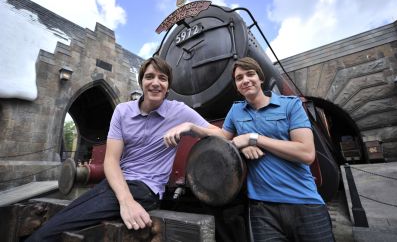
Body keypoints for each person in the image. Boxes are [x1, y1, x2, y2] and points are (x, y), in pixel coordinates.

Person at [27, 56, 218, 241]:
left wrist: (191, 127)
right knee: (60, 222)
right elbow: (111, 160)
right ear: (141, 81)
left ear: (168, 85)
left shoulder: (179, 111)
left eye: (162, 78)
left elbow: (223, 135)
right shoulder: (122, 111)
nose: (156, 83)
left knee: (50, 232)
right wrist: (126, 201)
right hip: (117, 184)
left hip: (146, 189)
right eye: (149, 77)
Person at [184, 57, 334, 241]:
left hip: (305, 203)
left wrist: (253, 139)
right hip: (262, 209)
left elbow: (306, 153)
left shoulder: (291, 105)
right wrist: (192, 128)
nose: (245, 80)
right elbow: (223, 139)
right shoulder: (236, 111)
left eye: (250, 74)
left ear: (261, 78)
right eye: (239, 78)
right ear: (237, 86)